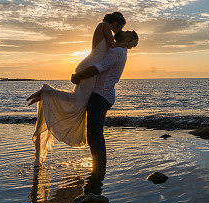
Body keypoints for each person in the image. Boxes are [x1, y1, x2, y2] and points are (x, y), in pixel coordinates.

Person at [27, 12, 138, 165]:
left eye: (126, 32)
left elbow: (99, 66)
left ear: (129, 40)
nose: (120, 31)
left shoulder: (118, 49)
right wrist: (79, 76)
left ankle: (46, 93)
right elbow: (99, 65)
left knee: (80, 107)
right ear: (115, 22)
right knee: (85, 117)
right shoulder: (111, 37)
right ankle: (99, 167)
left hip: (98, 88)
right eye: (121, 27)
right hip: (94, 79)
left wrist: (79, 76)